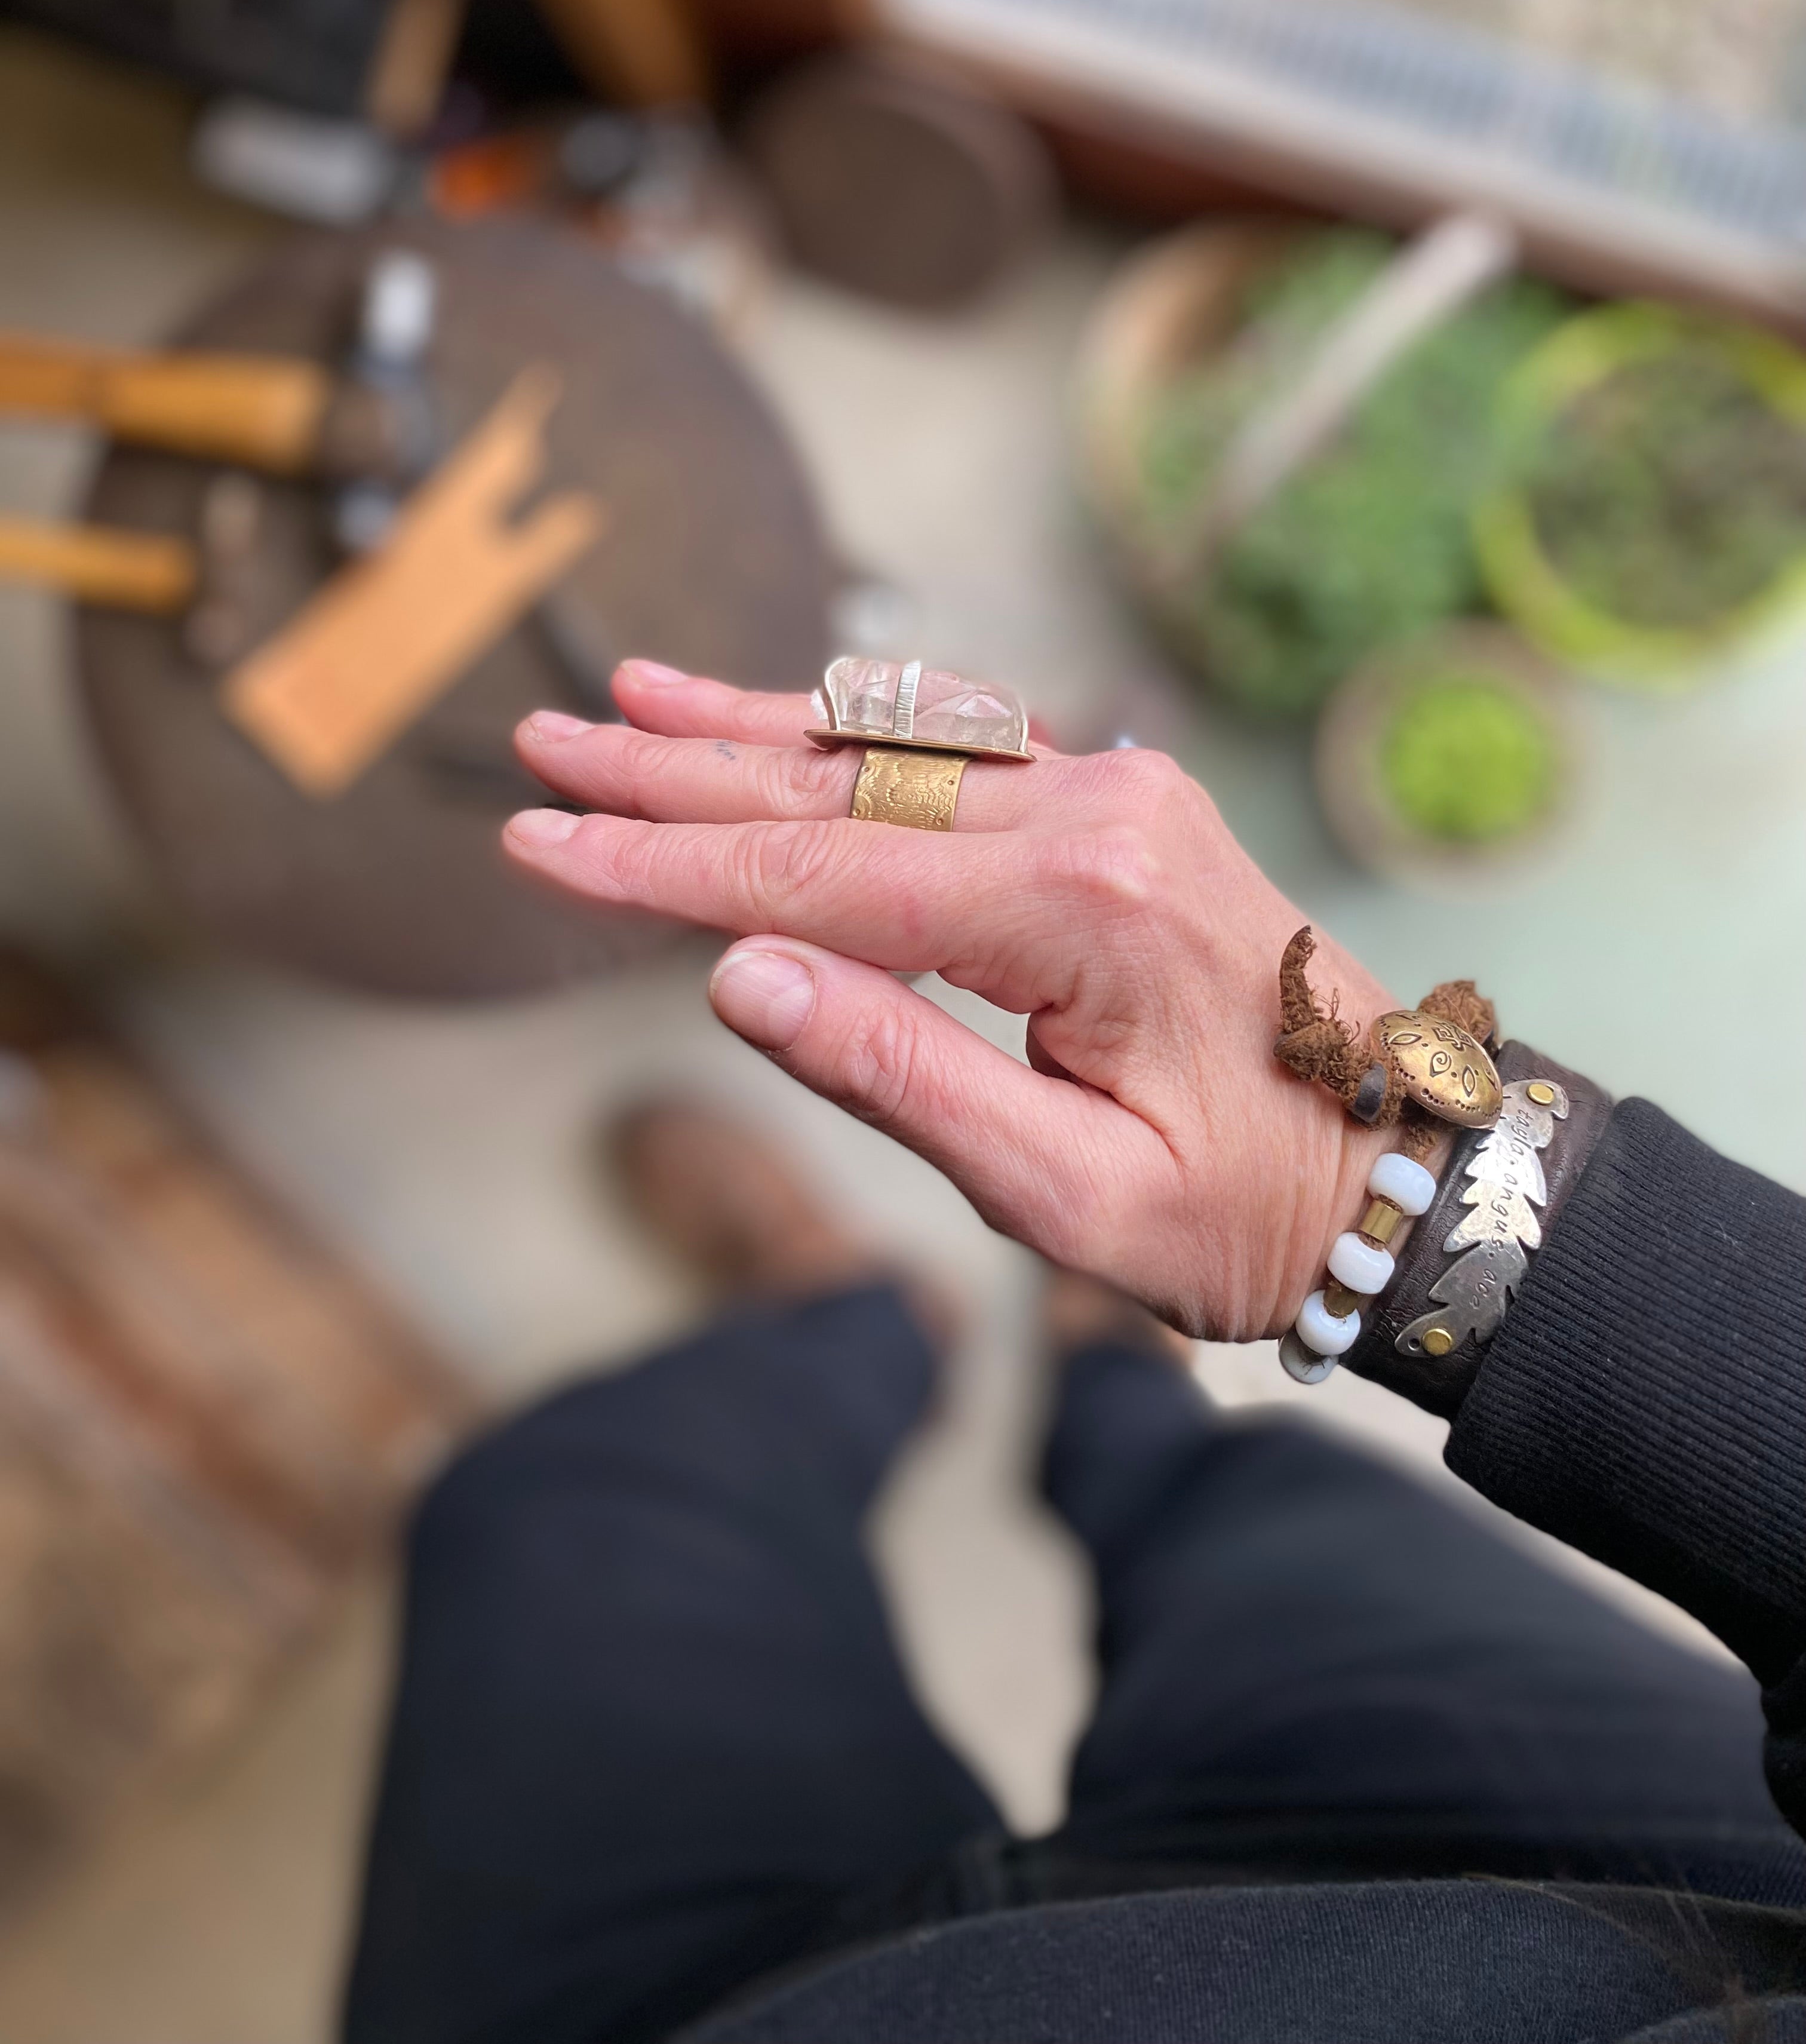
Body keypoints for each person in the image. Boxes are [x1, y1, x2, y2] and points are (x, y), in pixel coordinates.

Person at [342, 660, 1806, 2044]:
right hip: (1635, 1864)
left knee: (549, 1513)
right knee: (1260, 1508)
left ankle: (833, 1319)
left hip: (735, 2014)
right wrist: (1468, 1228)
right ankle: (1117, 1373)